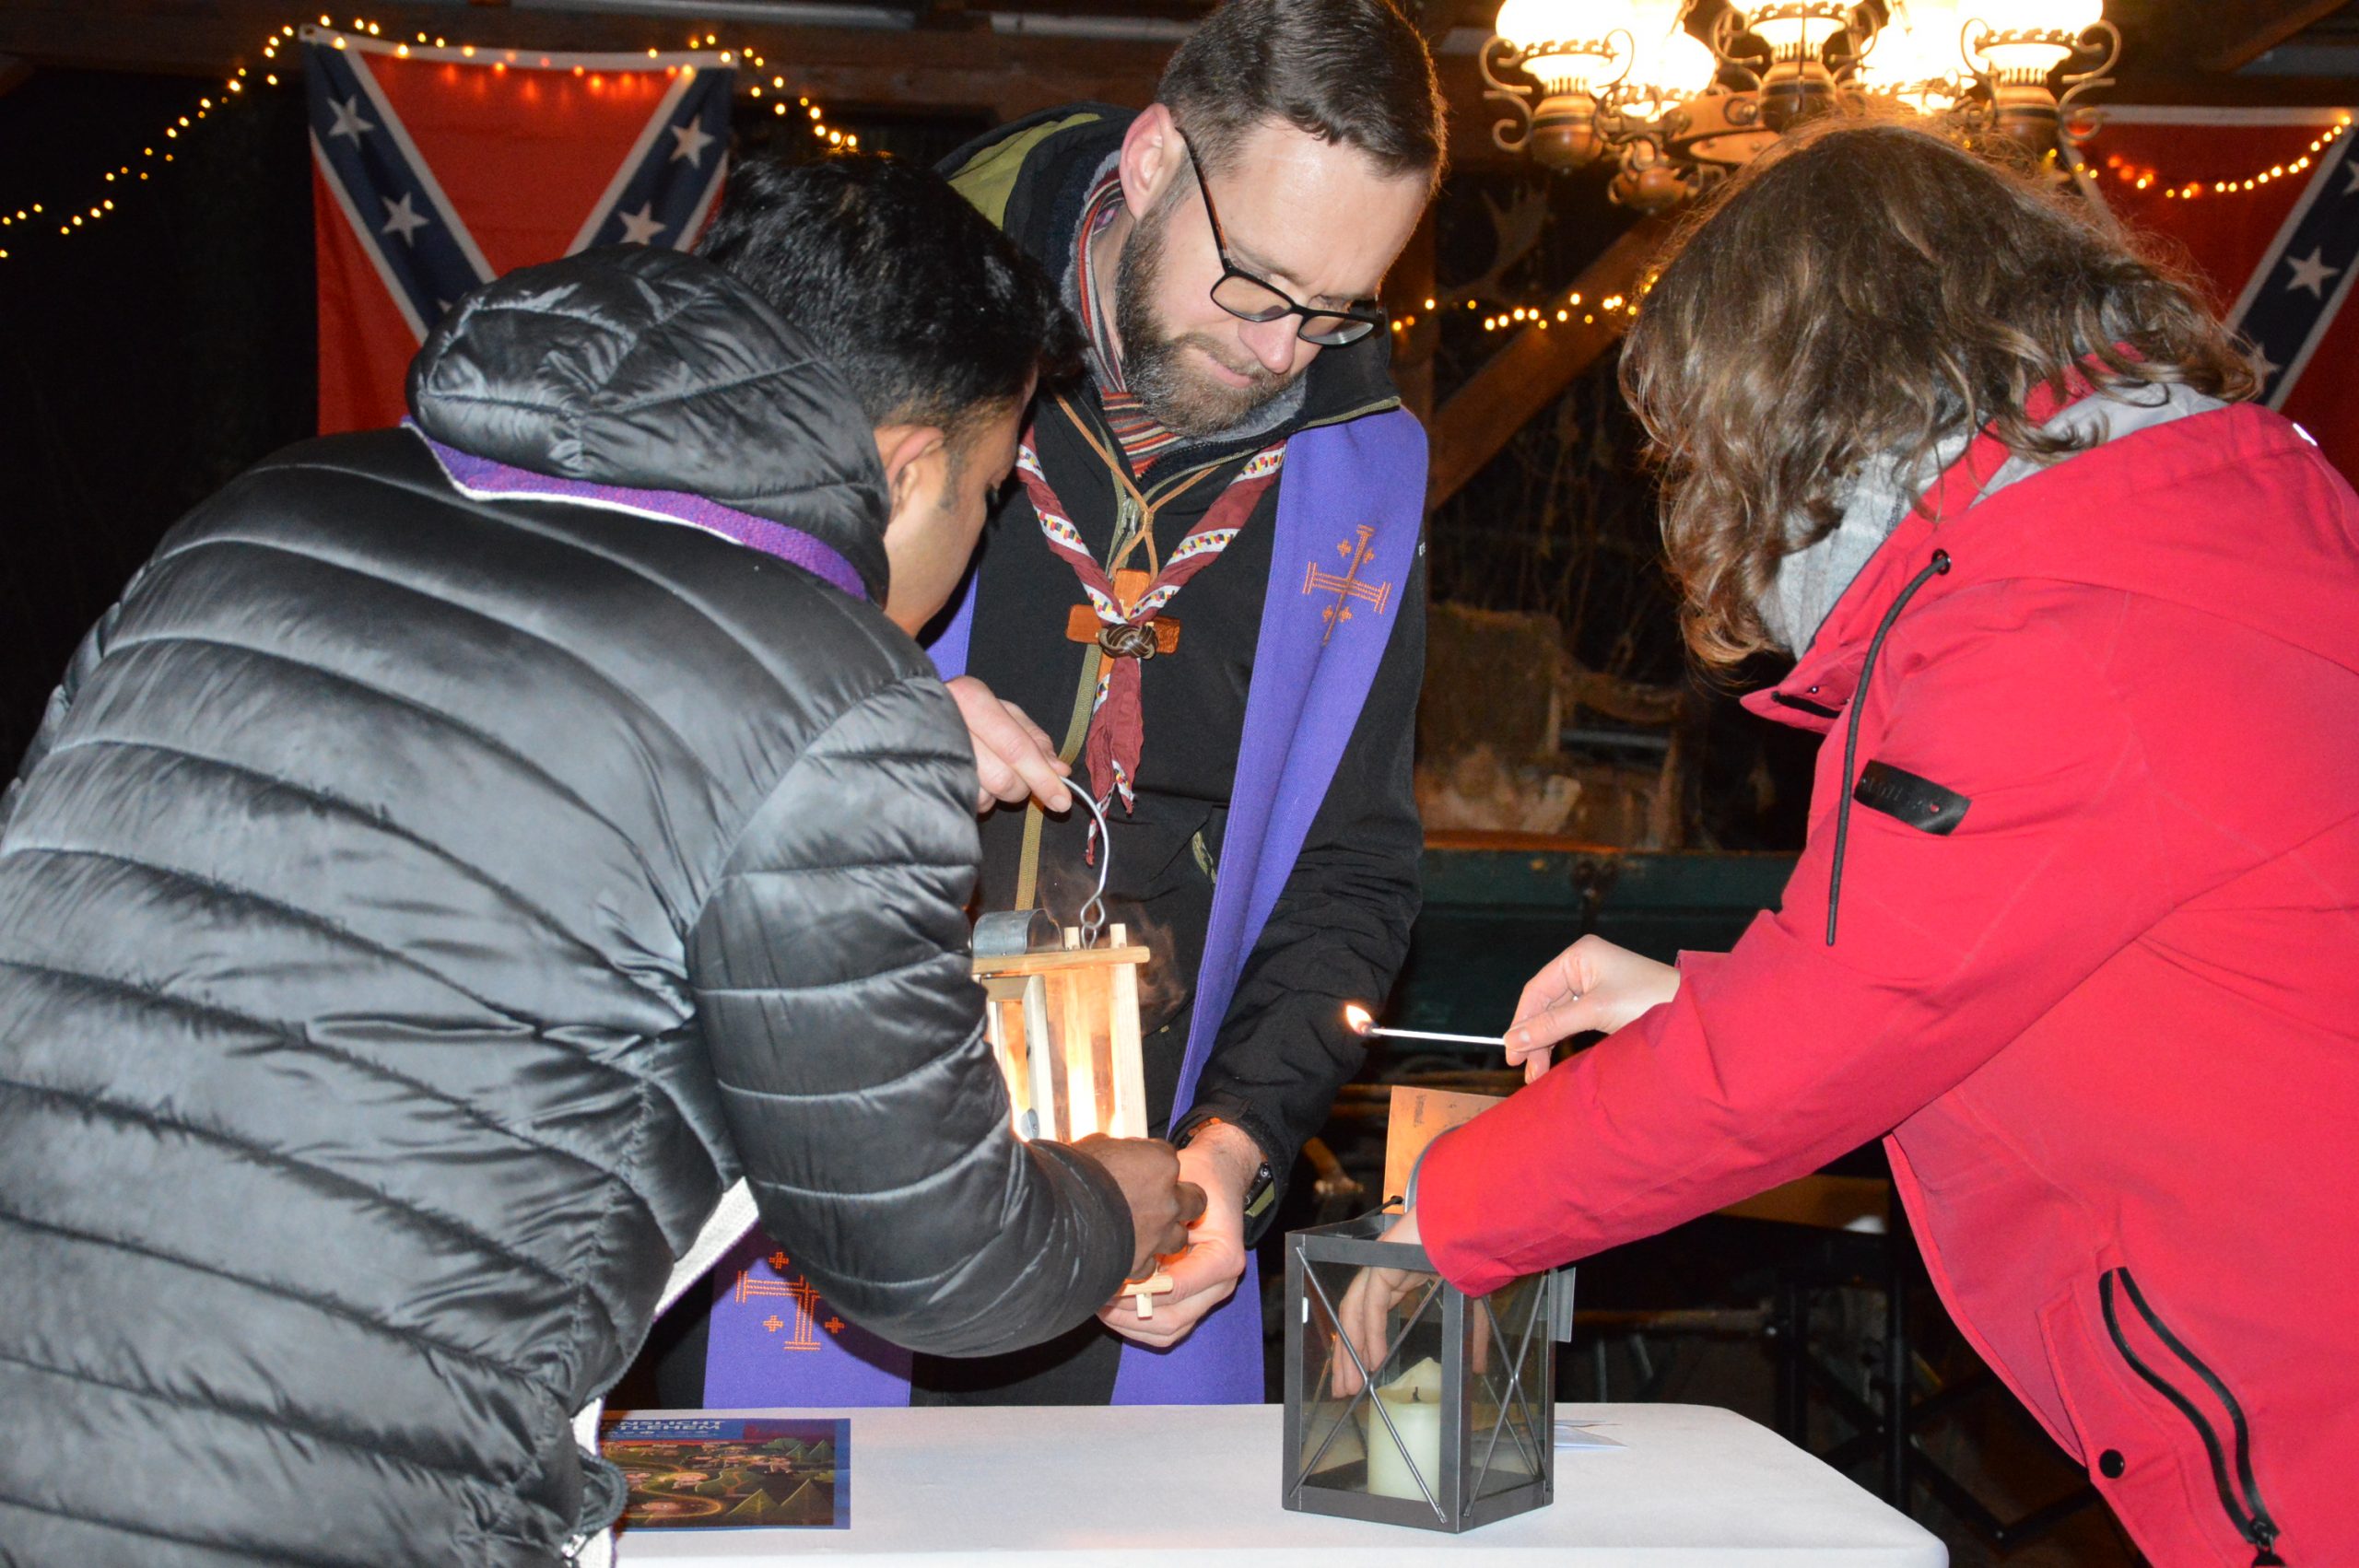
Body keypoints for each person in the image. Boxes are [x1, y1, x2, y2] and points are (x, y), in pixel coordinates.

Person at [0, 153, 1203, 1568]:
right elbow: (932, 1253)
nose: (979, 532)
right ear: (907, 467)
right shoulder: (843, 699)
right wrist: (1129, 1192)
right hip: (349, 1498)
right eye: (992, 491)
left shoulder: (261, 516)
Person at [1346, 120, 2359, 1565]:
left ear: (1796, 400)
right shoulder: (2200, 512)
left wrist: (1445, 1210)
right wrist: (1703, 1000)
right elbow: (2027, 952)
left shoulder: (2045, 629)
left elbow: (1821, 1042)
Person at [844, 0, 1444, 1410]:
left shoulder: (1364, 467)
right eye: (1259, 286)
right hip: (836, 1152)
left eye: (1340, 308)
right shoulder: (894, 326)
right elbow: (684, 662)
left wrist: (1232, 1154)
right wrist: (879, 707)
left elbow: (1353, 873)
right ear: (1159, 155)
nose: (1285, 351)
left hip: (1133, 1215)